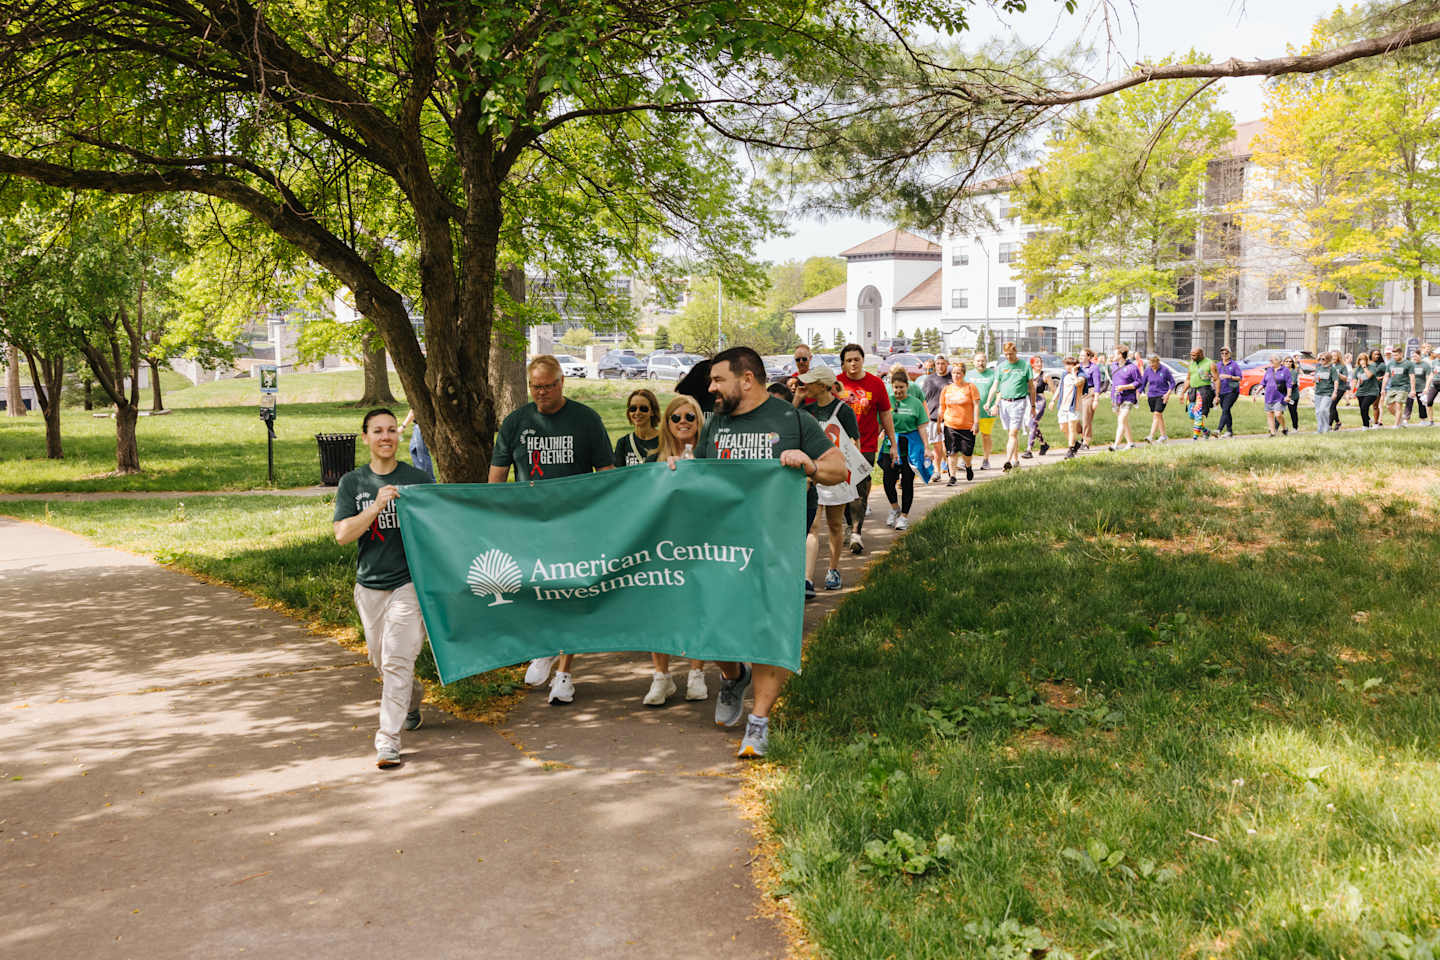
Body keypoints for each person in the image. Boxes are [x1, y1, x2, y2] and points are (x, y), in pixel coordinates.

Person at [673, 346, 845, 759]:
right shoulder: (715, 425)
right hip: (723, 548)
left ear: (746, 379)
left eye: (718, 380)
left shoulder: (792, 420)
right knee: (710, 631)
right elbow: (706, 481)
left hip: (775, 548)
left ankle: (760, 721)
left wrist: (809, 465)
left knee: (772, 634)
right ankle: (734, 677)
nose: (711, 388)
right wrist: (684, 473)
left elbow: (839, 468)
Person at [489, 355, 614, 705]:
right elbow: (497, 474)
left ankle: (565, 674)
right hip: (530, 526)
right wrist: (499, 514)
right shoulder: (516, 422)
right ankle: (543, 646)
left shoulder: (586, 420)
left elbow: (605, 471)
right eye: (535, 387)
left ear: (561, 383)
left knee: (571, 596)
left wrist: (597, 514)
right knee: (537, 590)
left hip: (575, 525)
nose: (540, 393)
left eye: (547, 386)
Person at [333, 408, 434, 769]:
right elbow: (343, 535)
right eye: (378, 431)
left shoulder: (418, 480)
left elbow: (442, 526)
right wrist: (376, 506)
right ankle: (412, 696)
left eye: (392, 430)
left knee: (395, 660)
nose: (386, 436)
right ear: (366, 438)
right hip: (370, 586)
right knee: (382, 660)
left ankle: (387, 741)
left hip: (409, 583)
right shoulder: (353, 483)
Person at [639, 395, 710, 706]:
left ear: (698, 422)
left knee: (698, 607)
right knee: (658, 611)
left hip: (699, 544)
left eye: (689, 417)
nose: (683, 422)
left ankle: (697, 673)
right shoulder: (652, 462)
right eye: (676, 417)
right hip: (662, 547)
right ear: (666, 423)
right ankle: (661, 677)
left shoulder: (712, 458)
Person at [800, 363, 861, 592]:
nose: (806, 385)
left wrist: (852, 472)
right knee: (812, 525)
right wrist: (797, 399)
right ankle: (807, 577)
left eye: (811, 382)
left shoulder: (843, 410)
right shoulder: (808, 410)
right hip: (813, 474)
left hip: (836, 474)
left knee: (835, 524)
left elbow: (854, 442)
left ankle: (833, 569)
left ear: (822, 385)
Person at [836, 344, 897, 556]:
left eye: (856, 359)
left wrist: (893, 444)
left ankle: (856, 533)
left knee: (859, 488)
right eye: (848, 360)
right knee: (843, 489)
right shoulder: (836, 384)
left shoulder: (875, 383)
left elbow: (886, 415)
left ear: (862, 360)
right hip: (838, 446)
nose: (853, 363)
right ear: (843, 363)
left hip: (866, 445)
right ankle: (847, 522)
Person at [880, 369, 930, 530]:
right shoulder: (888, 402)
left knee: (907, 481)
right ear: (892, 387)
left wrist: (927, 448)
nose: (898, 391)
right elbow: (881, 423)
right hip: (891, 445)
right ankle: (895, 509)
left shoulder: (915, 403)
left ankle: (904, 516)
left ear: (907, 387)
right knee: (888, 480)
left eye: (901, 387)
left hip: (911, 445)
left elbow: (922, 427)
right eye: (896, 388)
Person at [987, 341, 1035, 472]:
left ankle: (1007, 461)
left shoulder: (1025, 366)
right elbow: (995, 386)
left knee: (1013, 433)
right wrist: (989, 402)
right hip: (1004, 402)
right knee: (1011, 433)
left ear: (1016, 352)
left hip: (1019, 402)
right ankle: (1015, 459)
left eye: (1011, 354)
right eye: (1006, 354)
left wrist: (1033, 405)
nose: (1008, 357)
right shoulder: (1002, 367)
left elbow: (1031, 387)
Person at [940, 360, 981, 480]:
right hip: (950, 425)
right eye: (953, 373)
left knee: (966, 453)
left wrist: (976, 422)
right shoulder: (946, 389)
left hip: (967, 426)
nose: (956, 375)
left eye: (958, 373)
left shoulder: (970, 387)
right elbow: (942, 407)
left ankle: (968, 466)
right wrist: (939, 423)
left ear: (963, 374)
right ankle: (952, 476)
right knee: (951, 452)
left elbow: (976, 405)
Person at [920, 354, 953, 482]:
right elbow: (923, 399)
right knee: (937, 448)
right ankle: (937, 471)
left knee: (948, 447)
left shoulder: (952, 379)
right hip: (933, 418)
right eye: (938, 363)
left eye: (943, 363)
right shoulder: (929, 380)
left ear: (947, 364)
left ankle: (951, 470)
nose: (940, 366)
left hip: (949, 418)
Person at [614, 388, 661, 466]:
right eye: (633, 409)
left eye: (643, 409)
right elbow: (618, 475)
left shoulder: (665, 440)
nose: (637, 412)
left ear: (652, 412)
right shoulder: (623, 443)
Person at [970, 351, 999, 469]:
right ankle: (967, 460)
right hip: (971, 413)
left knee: (986, 436)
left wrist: (995, 405)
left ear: (986, 362)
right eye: (978, 361)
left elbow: (998, 392)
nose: (980, 363)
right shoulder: (968, 375)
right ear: (973, 362)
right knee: (969, 436)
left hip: (987, 412)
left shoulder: (993, 374)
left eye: (982, 361)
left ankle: (986, 460)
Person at [1180, 347, 1217, 439]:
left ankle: (1195, 439)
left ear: (1200, 354)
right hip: (1192, 391)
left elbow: (1217, 379)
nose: (1192, 357)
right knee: (1192, 415)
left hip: (1204, 391)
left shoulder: (1210, 363)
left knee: (1198, 415)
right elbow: (1188, 379)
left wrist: (1217, 395)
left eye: (1194, 355)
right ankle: (1206, 431)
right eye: (1191, 355)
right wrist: (1182, 393)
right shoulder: (1192, 364)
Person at [1139, 355, 1176, 443]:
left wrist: (1168, 394)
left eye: (1153, 362)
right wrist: (1138, 393)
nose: (1151, 364)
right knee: (1158, 416)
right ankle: (1163, 436)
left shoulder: (1164, 370)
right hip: (1151, 396)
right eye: (1150, 363)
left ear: (1157, 361)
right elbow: (1143, 383)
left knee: (1157, 414)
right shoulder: (1148, 370)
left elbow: (1172, 382)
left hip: (1162, 395)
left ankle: (1150, 436)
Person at [1108, 349, 1140, 450]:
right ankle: (1131, 443)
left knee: (1121, 419)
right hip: (1116, 397)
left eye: (1115, 353)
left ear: (1121, 355)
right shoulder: (1114, 366)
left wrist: (1125, 387)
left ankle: (1115, 445)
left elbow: (1139, 382)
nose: (1113, 355)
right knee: (1123, 421)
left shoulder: (1132, 368)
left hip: (1128, 398)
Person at [1021, 354, 1049, 459]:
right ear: (1032, 364)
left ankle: (1029, 450)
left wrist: (1053, 401)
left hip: (1040, 402)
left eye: (1041, 362)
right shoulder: (1028, 375)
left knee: (1033, 423)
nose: (1040, 364)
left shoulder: (1045, 376)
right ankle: (1043, 444)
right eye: (1037, 362)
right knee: (1032, 424)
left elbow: (1054, 390)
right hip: (1029, 401)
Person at [1382, 344, 1416, 428]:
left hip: (1403, 387)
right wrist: (1383, 388)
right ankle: (1401, 419)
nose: (1394, 357)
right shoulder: (1390, 364)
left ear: (1401, 354)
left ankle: (1396, 425)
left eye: (1396, 355)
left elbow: (1412, 377)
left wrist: (1413, 390)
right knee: (1389, 406)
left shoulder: (1408, 364)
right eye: (1393, 355)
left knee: (1398, 404)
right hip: (1392, 387)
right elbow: (1386, 376)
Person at [1056, 356, 1083, 458]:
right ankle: (1075, 443)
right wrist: (1053, 400)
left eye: (1069, 364)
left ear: (1074, 366)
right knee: (1063, 427)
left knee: (1072, 428)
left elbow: (1077, 383)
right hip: (1063, 406)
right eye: (1066, 364)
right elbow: (1060, 387)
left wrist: (1074, 373)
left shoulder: (1081, 375)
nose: (1067, 367)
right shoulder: (1064, 375)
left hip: (1073, 407)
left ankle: (1071, 450)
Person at [1261, 355, 1293, 436]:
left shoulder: (1285, 370)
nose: (1271, 361)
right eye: (1270, 360)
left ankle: (1284, 428)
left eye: (1273, 360)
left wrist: (1288, 396)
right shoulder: (1269, 370)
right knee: (1269, 414)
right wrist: (1256, 393)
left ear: (1279, 361)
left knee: (1278, 414)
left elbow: (1289, 384)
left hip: (1280, 396)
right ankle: (1272, 433)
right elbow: (1263, 382)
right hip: (1269, 396)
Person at [399, 409, 435, 480]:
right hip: (418, 426)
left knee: (422, 456)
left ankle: (429, 482)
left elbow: (413, 411)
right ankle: (421, 480)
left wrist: (402, 427)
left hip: (422, 425)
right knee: (414, 451)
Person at [1214, 348, 1242, 438]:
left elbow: (1240, 378)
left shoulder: (1234, 365)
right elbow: (1214, 378)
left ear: (1230, 354)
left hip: (1232, 391)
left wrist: (1229, 376)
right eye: (1222, 353)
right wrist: (1216, 394)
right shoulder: (1218, 365)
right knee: (1226, 411)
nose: (1224, 354)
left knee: (1225, 409)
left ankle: (1219, 429)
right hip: (1221, 391)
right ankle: (1229, 431)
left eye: (1226, 353)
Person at [1079, 349, 1104, 448]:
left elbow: (1097, 384)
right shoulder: (1078, 367)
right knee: (1075, 419)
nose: (1080, 357)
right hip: (1079, 393)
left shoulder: (1094, 368)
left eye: (1082, 355)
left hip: (1090, 393)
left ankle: (1086, 441)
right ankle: (1083, 435)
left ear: (1089, 357)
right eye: (1079, 355)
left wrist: (1096, 399)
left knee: (1086, 418)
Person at [1312, 352, 1341, 433]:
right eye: (1320, 359)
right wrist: (1314, 379)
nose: (1321, 360)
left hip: (1328, 393)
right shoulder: (1318, 368)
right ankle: (1319, 429)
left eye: (1323, 359)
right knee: (1318, 412)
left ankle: (1326, 427)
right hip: (1318, 392)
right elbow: (1316, 380)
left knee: (1323, 410)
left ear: (1328, 359)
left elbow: (1336, 381)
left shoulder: (1332, 369)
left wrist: (1335, 392)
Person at [1352, 351, 1381, 429]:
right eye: (1360, 359)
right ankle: (1367, 421)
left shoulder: (1372, 367)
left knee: (1364, 407)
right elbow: (1354, 380)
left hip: (1372, 392)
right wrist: (1353, 391)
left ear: (1366, 360)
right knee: (1362, 409)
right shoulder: (1357, 369)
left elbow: (1369, 376)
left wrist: (1364, 367)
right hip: (1361, 392)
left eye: (1363, 359)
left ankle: (1365, 425)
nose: (1361, 361)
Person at [1407, 348, 1432, 426]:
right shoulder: (1410, 364)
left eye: (1416, 356)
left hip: (1421, 388)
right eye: (1413, 356)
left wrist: (1426, 388)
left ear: (1420, 356)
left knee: (1421, 404)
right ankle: (1406, 420)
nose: (1414, 358)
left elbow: (1428, 377)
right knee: (1408, 403)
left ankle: (1423, 420)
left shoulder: (1425, 365)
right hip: (1411, 388)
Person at [1284, 355, 1303, 432]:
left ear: (1292, 363)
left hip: (1293, 396)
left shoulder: (1293, 372)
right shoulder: (1281, 371)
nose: (1288, 363)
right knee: (1279, 411)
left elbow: (1292, 383)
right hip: (1283, 395)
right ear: (1284, 362)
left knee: (1293, 411)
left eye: (1290, 361)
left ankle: (1295, 428)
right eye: (1287, 361)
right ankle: (1275, 428)